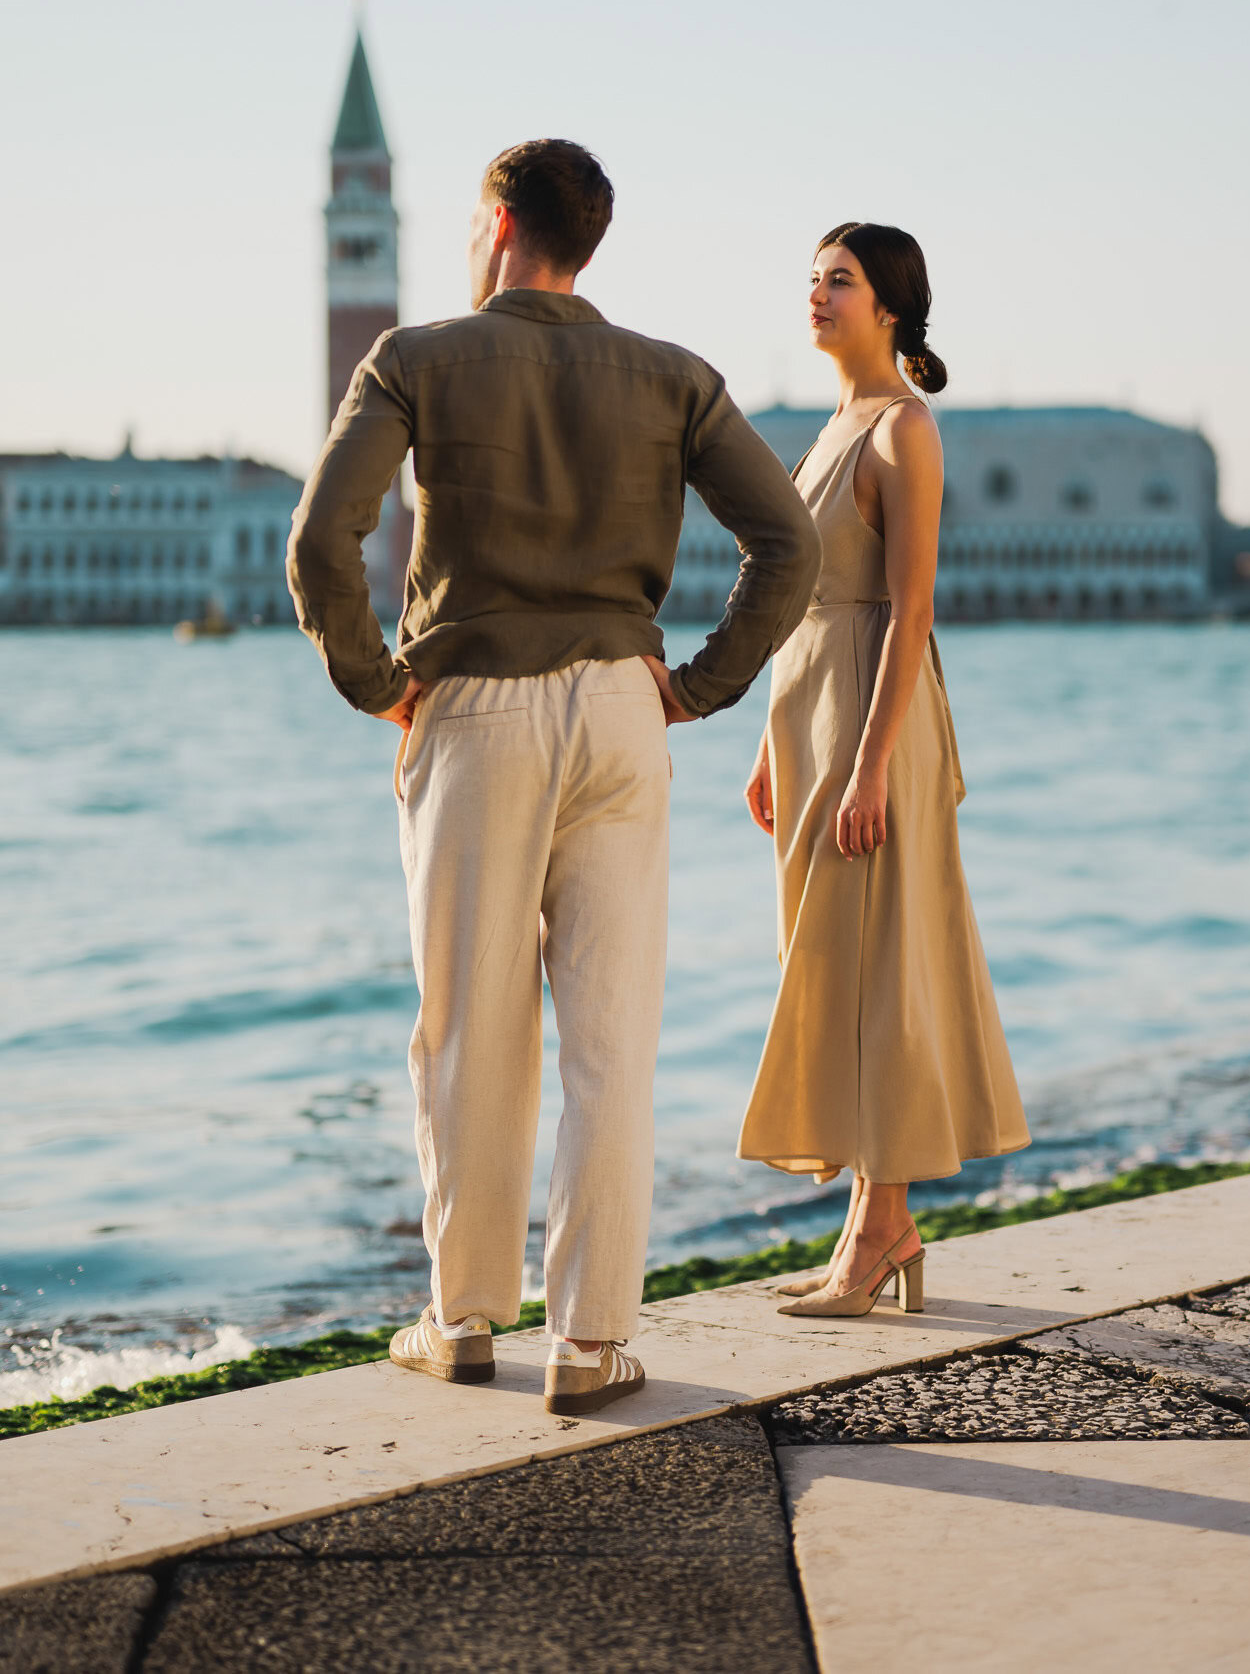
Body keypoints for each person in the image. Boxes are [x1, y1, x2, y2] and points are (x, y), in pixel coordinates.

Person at [287, 140, 820, 1413]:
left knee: (471, 1030)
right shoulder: (672, 375)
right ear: (589, 242)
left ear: (495, 222)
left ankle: (463, 1320)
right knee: (608, 1038)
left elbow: (321, 537)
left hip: (471, 710)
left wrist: (375, 681)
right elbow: (785, 544)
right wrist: (695, 686)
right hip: (622, 713)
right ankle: (587, 1345)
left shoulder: (416, 356)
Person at [738, 221, 1028, 1319]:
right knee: (829, 963)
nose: (815, 295)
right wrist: (772, 744)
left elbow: (910, 607)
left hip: (874, 717)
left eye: (838, 281)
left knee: (878, 961)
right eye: (810, 279)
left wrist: (866, 770)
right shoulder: (831, 425)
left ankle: (876, 1227)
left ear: (889, 305)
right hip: (808, 712)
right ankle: (877, 1221)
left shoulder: (905, 428)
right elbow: (796, 596)